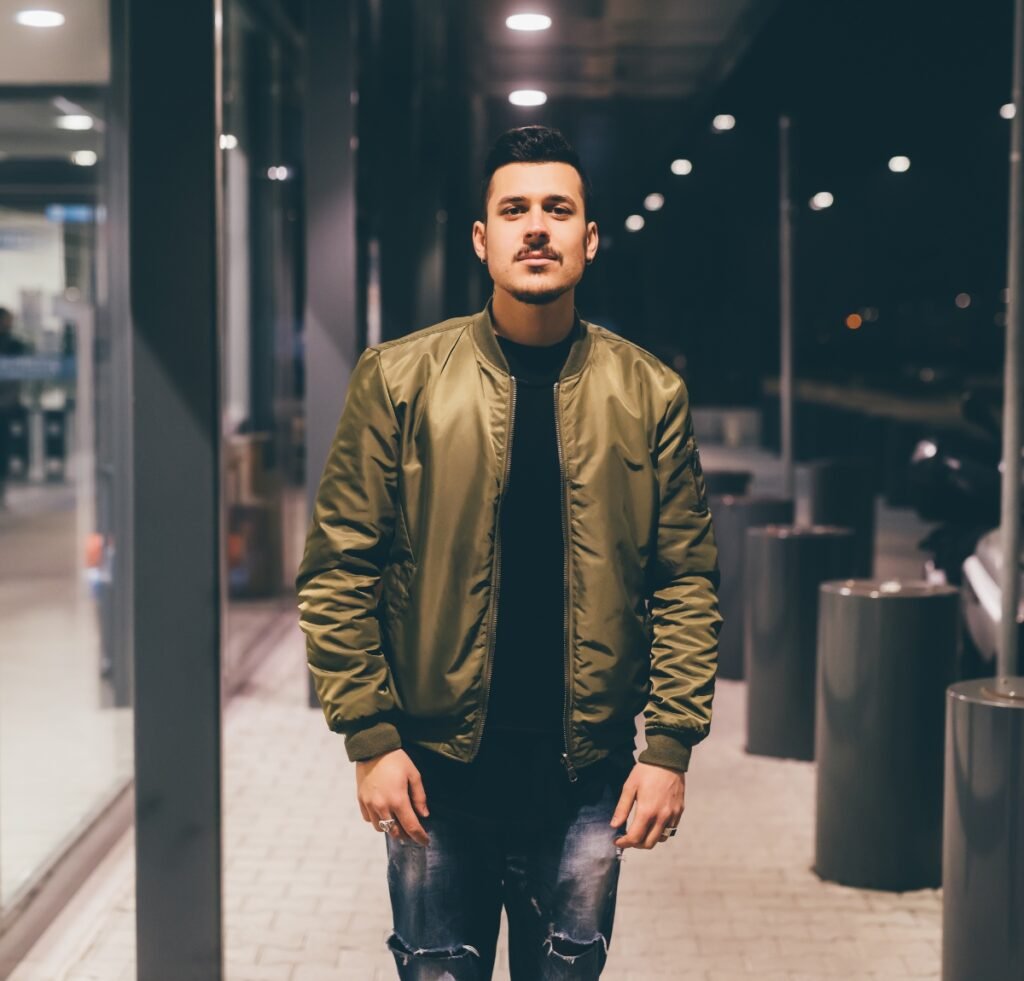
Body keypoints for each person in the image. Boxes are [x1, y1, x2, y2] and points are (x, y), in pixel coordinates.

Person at [296, 125, 722, 979]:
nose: (538, 227)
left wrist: (670, 746)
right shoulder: (399, 379)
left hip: (587, 783)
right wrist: (370, 737)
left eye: (559, 209)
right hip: (433, 780)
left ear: (589, 239)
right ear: (483, 239)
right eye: (515, 209)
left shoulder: (650, 393)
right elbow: (339, 569)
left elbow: (686, 581)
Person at [0, 307, 29, 509]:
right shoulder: (14, 345)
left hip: (7, 406)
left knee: (4, 451)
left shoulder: (15, 345)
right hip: (7, 405)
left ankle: (1, 494)